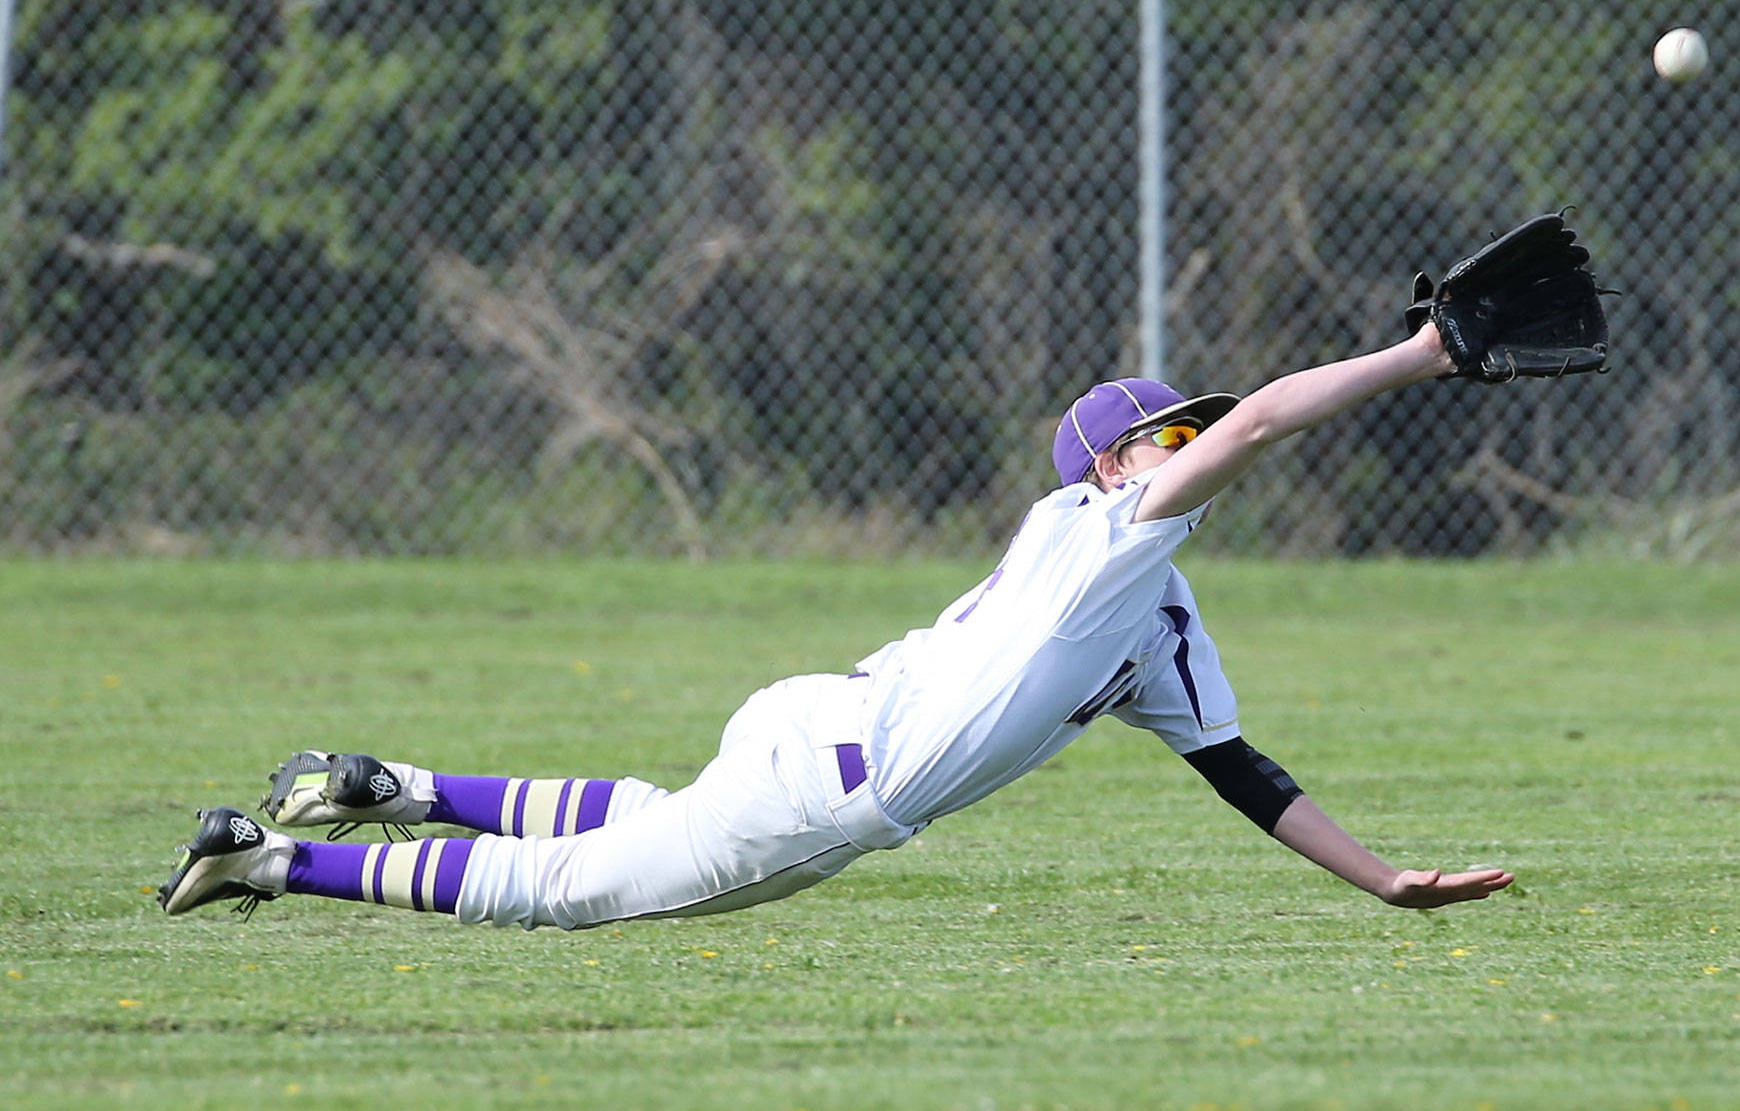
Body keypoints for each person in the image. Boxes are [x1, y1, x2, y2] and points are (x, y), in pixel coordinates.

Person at [157, 318, 1513, 927]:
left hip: (819, 720)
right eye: (1164, 433)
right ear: (1109, 464)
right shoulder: (1112, 533)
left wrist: (1383, 877)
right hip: (838, 787)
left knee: (646, 812)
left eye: (1185, 430)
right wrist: (1421, 356)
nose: (1191, 439)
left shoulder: (1150, 608)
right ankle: (269, 864)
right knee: (566, 896)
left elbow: (1241, 771)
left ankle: (390, 786)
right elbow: (1270, 417)